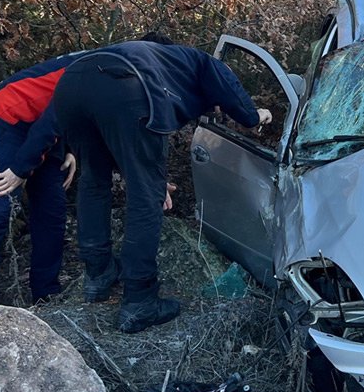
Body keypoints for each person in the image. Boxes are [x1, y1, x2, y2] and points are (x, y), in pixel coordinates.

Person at [50, 33, 272, 333]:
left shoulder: (156, 59)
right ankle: (139, 301)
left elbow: (120, 142)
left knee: (93, 180)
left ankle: (98, 272)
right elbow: (243, 111)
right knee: (145, 198)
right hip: (125, 86)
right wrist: (257, 115)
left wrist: (146, 175)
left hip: (70, 86)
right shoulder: (206, 62)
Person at [0, 52, 86, 310]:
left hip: (46, 127)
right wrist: (20, 168)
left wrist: (71, 149)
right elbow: (61, 111)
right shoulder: (101, 67)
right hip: (9, 116)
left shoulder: (117, 70)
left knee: (52, 209)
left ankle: (46, 296)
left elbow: (78, 112)